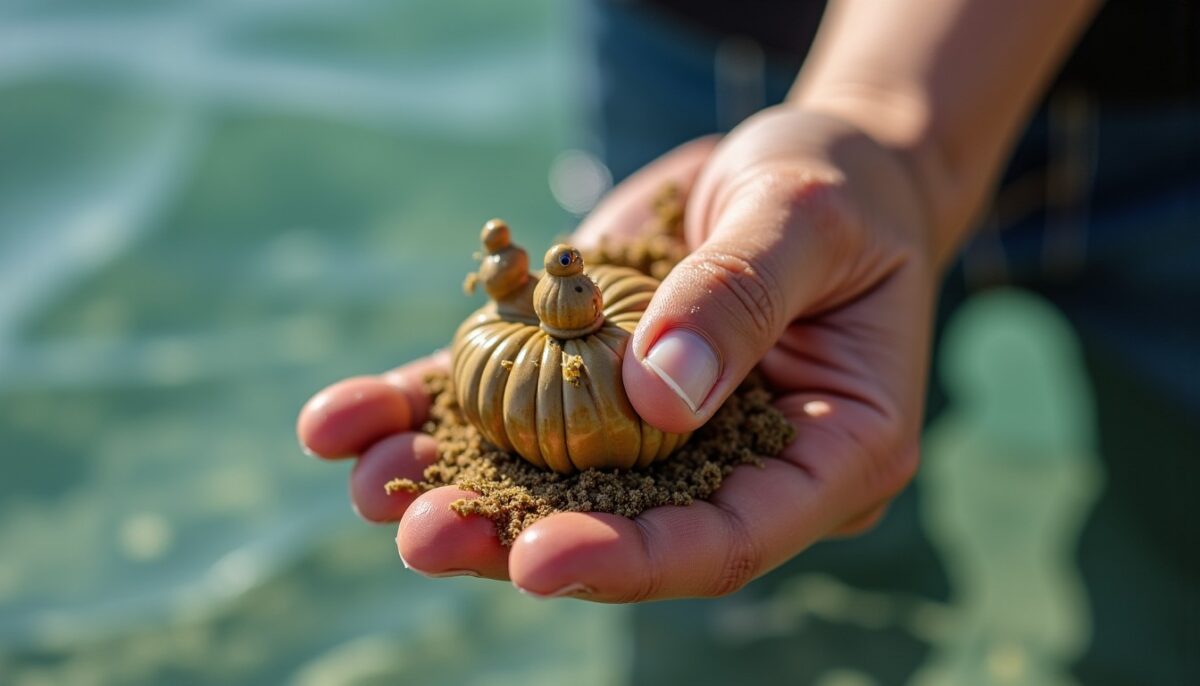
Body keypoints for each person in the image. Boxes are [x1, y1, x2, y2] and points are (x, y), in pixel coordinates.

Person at [299, 0, 1198, 681]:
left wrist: (885, 127)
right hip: (726, 58)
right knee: (766, 619)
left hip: (1174, 95)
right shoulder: (541, 330)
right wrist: (883, 137)